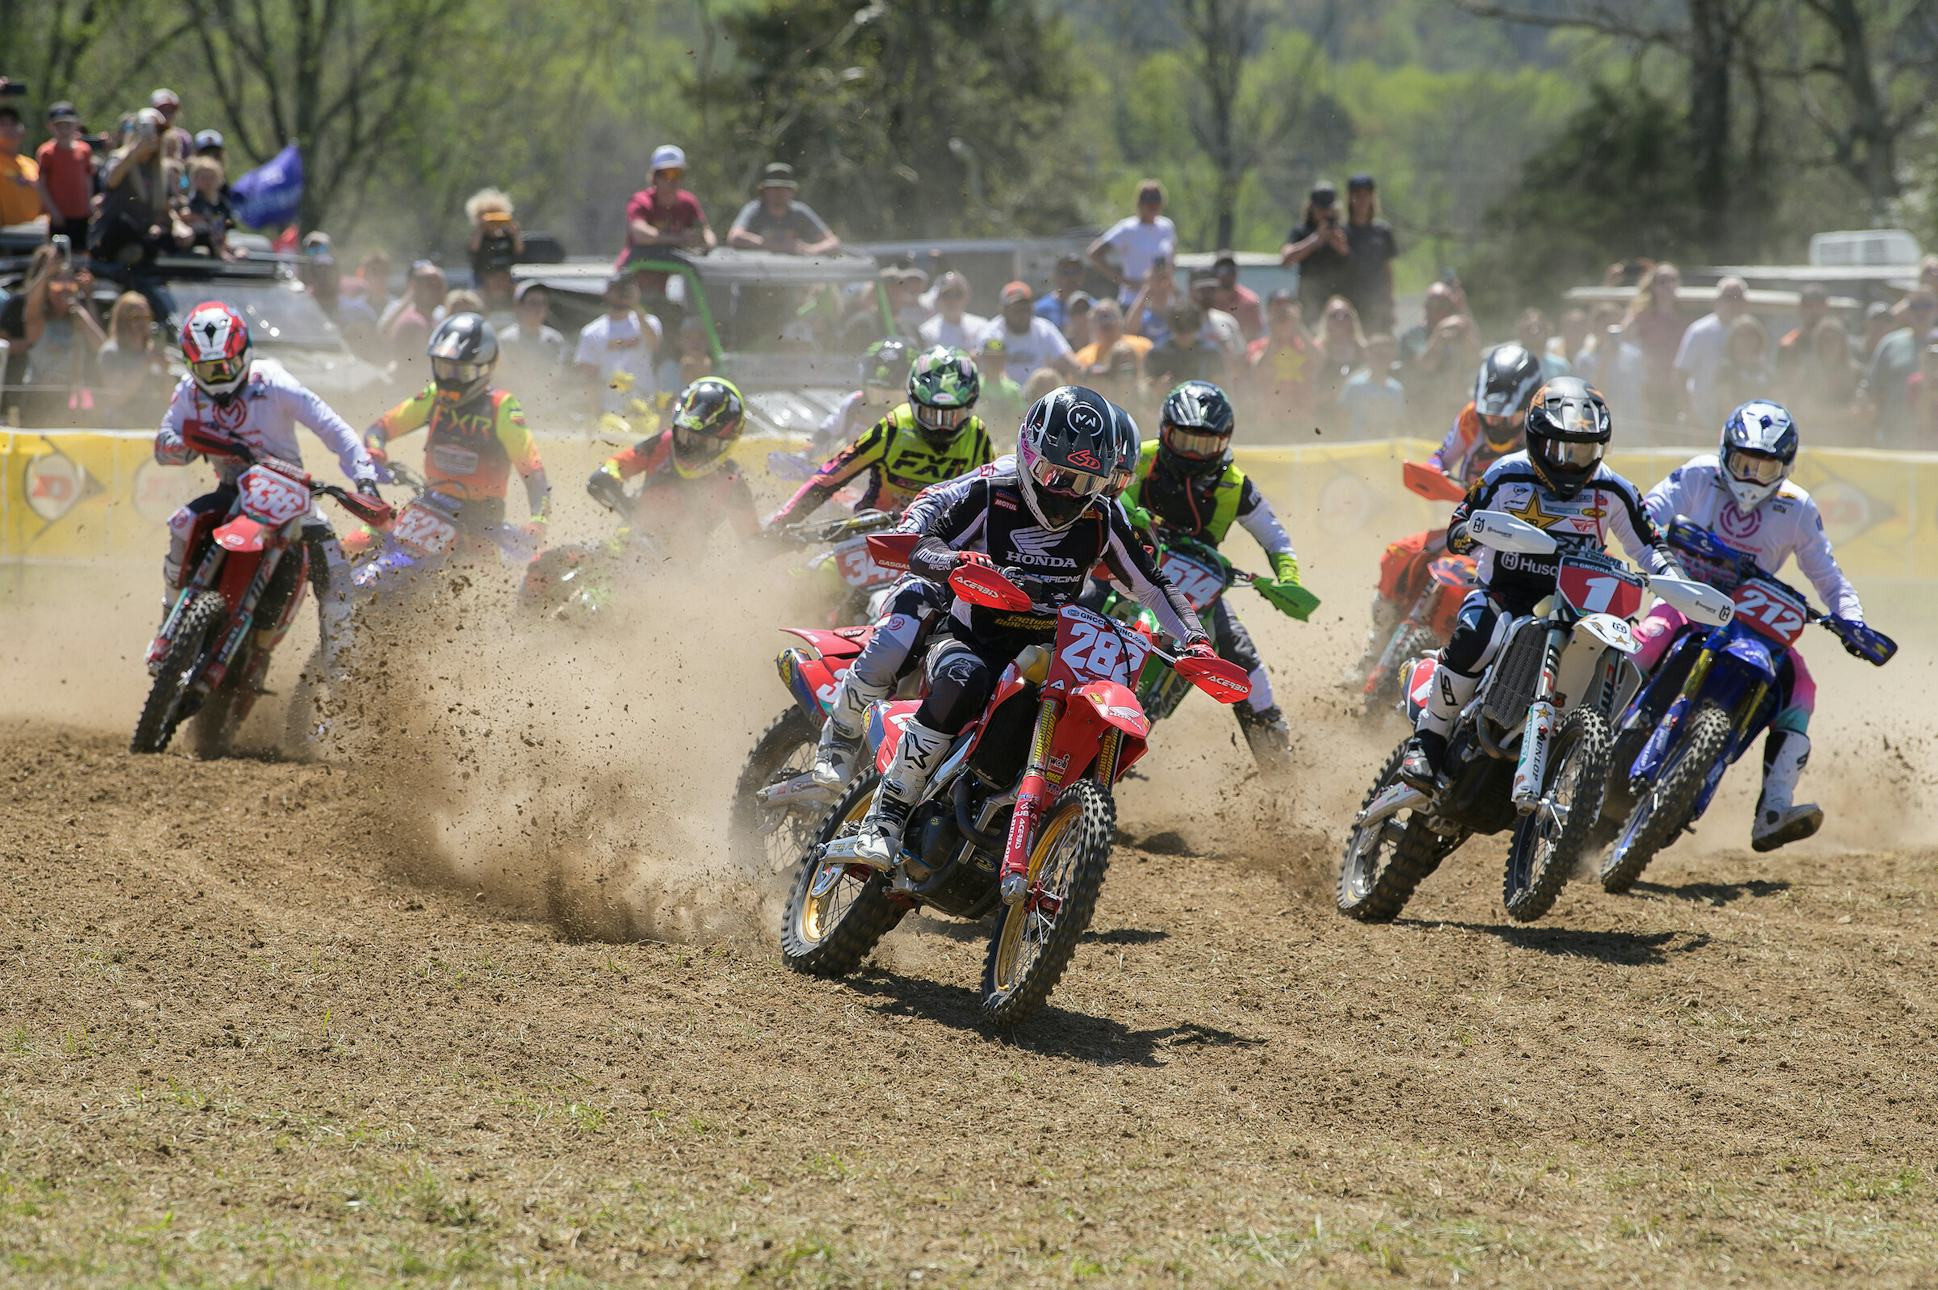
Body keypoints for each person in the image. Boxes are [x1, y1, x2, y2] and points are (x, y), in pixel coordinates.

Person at [846, 385, 1209, 867]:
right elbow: (921, 544)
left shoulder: (1103, 516)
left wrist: (1195, 640)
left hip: (1048, 650)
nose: (1065, 493)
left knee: (1083, 711)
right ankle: (886, 814)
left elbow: (1151, 586)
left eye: (1083, 482)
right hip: (969, 636)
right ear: (1028, 452)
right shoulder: (993, 493)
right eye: (1054, 474)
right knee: (965, 679)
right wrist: (960, 562)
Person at [1399, 379, 1676, 788]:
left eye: (1584, 450)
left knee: (1617, 657)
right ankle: (1429, 739)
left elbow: (1650, 545)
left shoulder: (1613, 489)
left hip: (1578, 605)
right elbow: (1462, 520)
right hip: (1505, 594)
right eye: (1560, 449)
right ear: (1536, 437)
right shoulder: (1505, 475)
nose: (1571, 462)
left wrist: (1671, 578)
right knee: (1477, 637)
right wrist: (1465, 535)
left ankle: (1586, 769)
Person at [1633, 401, 1868, 850]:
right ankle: (1583, 738)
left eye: (1765, 468)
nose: (1751, 478)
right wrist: (1659, 543)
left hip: (1755, 618)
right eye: (1743, 463)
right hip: (1688, 598)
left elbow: (1829, 578)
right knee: (1646, 642)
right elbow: (1647, 511)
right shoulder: (1699, 474)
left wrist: (1852, 621)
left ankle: (1774, 808)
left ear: (1785, 467)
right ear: (1725, 453)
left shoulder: (1797, 508)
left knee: (1801, 689)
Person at [149, 303, 381, 679]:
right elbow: (163, 444)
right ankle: (168, 630)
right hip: (231, 493)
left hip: (289, 500)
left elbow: (333, 428)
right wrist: (189, 445)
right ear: (192, 366)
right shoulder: (189, 392)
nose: (219, 376)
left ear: (244, 353)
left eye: (225, 365)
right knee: (181, 523)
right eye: (208, 369)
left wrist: (364, 479)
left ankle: (343, 676)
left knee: (336, 575)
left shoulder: (273, 382)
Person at [1121, 380, 1306, 768]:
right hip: (1124, 566)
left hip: (1196, 586)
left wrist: (1288, 578)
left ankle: (1280, 766)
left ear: (1224, 443)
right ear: (1165, 431)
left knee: (1241, 660)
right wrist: (1124, 508)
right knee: (1068, 607)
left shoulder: (1235, 485)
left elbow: (1277, 540)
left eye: (1204, 444)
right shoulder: (1139, 458)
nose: (1193, 452)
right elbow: (1102, 491)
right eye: (1185, 440)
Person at [765, 345, 992, 530]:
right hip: (871, 533)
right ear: (913, 401)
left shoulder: (978, 436)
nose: (941, 428)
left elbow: (993, 500)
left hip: (940, 546)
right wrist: (781, 523)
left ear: (970, 406)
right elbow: (830, 478)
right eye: (931, 415)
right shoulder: (893, 426)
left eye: (953, 416)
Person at [364, 313, 551, 537]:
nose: (450, 379)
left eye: (460, 371)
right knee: (362, 539)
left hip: (480, 524)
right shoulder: (433, 396)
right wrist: (375, 451)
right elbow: (379, 429)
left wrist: (538, 521)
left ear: (484, 368)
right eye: (444, 369)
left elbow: (533, 469)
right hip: (429, 507)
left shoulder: (501, 407)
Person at [585, 376, 759, 548]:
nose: (690, 448)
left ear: (727, 441)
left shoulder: (731, 481)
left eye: (703, 442)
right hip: (626, 544)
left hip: (678, 566)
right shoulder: (663, 443)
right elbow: (610, 470)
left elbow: (755, 545)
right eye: (685, 436)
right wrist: (628, 510)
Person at [620, 145, 715, 292]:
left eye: (677, 174)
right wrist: (679, 239)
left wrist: (705, 244)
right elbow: (640, 235)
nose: (672, 180)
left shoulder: (688, 203)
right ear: (655, 177)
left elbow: (706, 231)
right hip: (630, 280)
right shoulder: (641, 201)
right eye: (667, 174)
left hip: (661, 285)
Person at [574, 274, 661, 415]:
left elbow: (655, 344)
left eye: (628, 288)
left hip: (645, 406)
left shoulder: (649, 322)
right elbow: (589, 376)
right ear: (606, 293)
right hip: (610, 410)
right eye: (618, 288)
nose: (623, 292)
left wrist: (636, 306)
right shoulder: (591, 332)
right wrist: (593, 412)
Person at [1087, 180, 1177, 307]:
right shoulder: (1127, 228)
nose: (1153, 205)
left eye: (1156, 199)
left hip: (1163, 302)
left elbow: (1170, 260)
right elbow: (1094, 254)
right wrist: (1124, 281)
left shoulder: (1166, 226)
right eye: (1148, 200)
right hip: (1133, 300)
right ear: (1140, 203)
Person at [1675, 276, 1750, 426]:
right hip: (1704, 413)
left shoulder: (1750, 331)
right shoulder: (1700, 332)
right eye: (1728, 297)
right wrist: (1688, 411)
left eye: (1738, 298)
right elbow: (1680, 374)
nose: (1733, 303)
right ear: (1717, 300)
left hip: (1742, 418)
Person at [727, 163, 839, 255]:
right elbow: (734, 237)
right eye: (774, 188)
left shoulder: (800, 212)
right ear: (764, 191)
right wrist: (775, 245)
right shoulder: (754, 210)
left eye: (784, 188)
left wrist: (810, 250)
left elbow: (833, 242)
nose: (779, 192)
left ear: (792, 191)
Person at [1622, 261, 1685, 425]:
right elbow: (1625, 339)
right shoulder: (1642, 316)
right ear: (1653, 286)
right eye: (1662, 281)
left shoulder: (1682, 316)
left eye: (1672, 280)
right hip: (1648, 385)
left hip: (1675, 387)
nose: (1667, 286)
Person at [1280, 180, 1350, 325]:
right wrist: (1315, 240)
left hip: (1338, 304)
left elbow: (1353, 261)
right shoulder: (1301, 231)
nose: (1324, 213)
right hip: (1309, 303)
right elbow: (1286, 259)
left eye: (1328, 208)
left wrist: (1339, 244)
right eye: (1320, 208)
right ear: (1311, 207)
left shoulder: (1343, 230)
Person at [94, 291, 169, 424]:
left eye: (146, 317)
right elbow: (117, 397)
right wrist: (145, 363)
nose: (143, 323)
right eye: (136, 318)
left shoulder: (152, 350)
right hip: (123, 428)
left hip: (152, 424)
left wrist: (165, 369)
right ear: (122, 320)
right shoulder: (111, 352)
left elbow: (168, 396)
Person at [978, 280, 1075, 381]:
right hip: (1004, 394)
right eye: (1017, 309)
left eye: (1025, 309)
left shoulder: (1044, 329)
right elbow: (990, 369)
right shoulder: (993, 332)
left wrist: (1084, 374)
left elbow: (1067, 359)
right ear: (1004, 310)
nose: (1022, 314)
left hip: (1038, 394)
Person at [1341, 174, 1398, 333]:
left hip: (1377, 301)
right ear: (1350, 198)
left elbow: (1388, 270)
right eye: (1357, 195)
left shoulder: (1382, 231)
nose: (1362, 200)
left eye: (1366, 195)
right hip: (1352, 301)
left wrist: (1390, 302)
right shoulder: (1342, 232)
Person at [1246, 288, 1314, 422]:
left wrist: (1297, 325)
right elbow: (1256, 368)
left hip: (1303, 419)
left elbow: (1320, 360)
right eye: (1277, 309)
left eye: (1287, 307)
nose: (1282, 313)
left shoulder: (1305, 344)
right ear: (1268, 312)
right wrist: (1274, 332)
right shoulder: (1257, 346)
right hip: (1269, 420)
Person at [34, 103, 92, 246]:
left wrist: (88, 204)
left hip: (81, 213)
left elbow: (87, 178)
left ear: (76, 125)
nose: (64, 130)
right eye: (59, 126)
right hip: (59, 215)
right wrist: (53, 211)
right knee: (57, 256)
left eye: (68, 125)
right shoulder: (47, 152)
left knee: (80, 254)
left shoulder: (84, 150)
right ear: (51, 127)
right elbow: (41, 184)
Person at [497, 281, 568, 396]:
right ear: (518, 306)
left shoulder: (554, 339)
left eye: (543, 303)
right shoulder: (506, 339)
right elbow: (502, 377)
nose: (538, 308)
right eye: (533, 303)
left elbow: (557, 374)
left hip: (546, 403)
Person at [1340, 332, 1405, 437]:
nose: (1381, 359)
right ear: (1368, 355)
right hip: (1358, 444)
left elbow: (1397, 422)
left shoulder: (1396, 389)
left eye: (1386, 355)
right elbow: (1342, 416)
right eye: (1377, 354)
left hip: (1383, 446)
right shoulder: (1355, 385)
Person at [1145, 303, 1226, 388]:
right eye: (1179, 330)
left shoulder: (1210, 352)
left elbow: (1221, 387)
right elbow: (1147, 387)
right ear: (1171, 327)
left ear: (1197, 327)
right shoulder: (1157, 353)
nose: (1184, 336)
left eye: (1188, 330)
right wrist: (1158, 386)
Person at [0, 104, 45, 231]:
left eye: (13, 123)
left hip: (35, 232)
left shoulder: (31, 164)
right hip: (6, 237)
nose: (9, 128)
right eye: (3, 123)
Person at [917, 271, 986, 352]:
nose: (952, 301)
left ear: (966, 297)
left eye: (958, 295)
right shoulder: (927, 332)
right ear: (938, 299)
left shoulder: (981, 326)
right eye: (947, 295)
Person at [183, 157, 234, 258]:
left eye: (212, 177)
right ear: (195, 179)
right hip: (200, 241)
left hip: (219, 241)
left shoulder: (222, 204)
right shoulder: (194, 201)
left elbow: (226, 227)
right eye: (203, 178)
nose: (208, 182)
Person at [1210, 251, 1264, 341]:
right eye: (1222, 270)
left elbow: (1255, 337)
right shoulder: (1206, 300)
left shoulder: (1249, 302)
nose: (1227, 274)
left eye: (1231, 269)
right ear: (1214, 272)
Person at [1776, 286, 1830, 374]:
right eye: (1809, 306)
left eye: (1819, 306)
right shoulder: (1789, 344)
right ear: (1800, 308)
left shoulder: (1837, 344)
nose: (1814, 311)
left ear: (1826, 308)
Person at [1035, 253, 1089, 336]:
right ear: (1055, 275)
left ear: (1082, 275)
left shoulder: (1093, 307)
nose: (1070, 277)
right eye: (1065, 272)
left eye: (1075, 272)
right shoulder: (1041, 309)